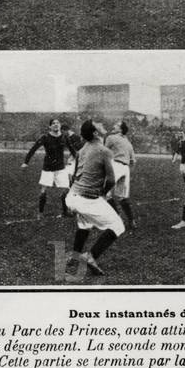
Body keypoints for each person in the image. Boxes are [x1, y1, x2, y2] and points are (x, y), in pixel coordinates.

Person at [64, 119, 126, 277]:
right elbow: (111, 180)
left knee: (85, 224)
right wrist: (103, 194)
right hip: (86, 199)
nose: (102, 124)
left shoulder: (82, 149)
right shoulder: (104, 151)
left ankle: (75, 255)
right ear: (95, 133)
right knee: (118, 226)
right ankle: (90, 257)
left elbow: (73, 175)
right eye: (99, 124)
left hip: (72, 196)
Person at [22, 118, 79, 217]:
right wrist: (26, 162)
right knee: (43, 190)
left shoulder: (64, 137)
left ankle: (65, 212)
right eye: (53, 123)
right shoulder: (45, 137)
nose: (56, 125)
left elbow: (73, 151)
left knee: (66, 189)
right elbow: (33, 149)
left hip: (60, 168)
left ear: (60, 125)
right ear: (50, 126)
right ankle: (40, 213)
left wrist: (80, 161)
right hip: (48, 168)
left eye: (58, 123)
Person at [103, 121, 137, 229]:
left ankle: (117, 218)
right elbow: (133, 161)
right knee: (123, 197)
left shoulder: (111, 138)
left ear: (121, 129)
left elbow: (104, 152)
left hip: (115, 165)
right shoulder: (128, 142)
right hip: (125, 168)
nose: (113, 126)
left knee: (105, 193)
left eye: (116, 125)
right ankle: (132, 221)